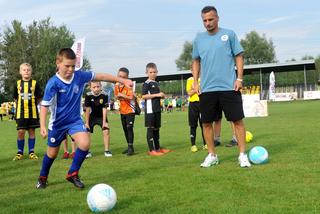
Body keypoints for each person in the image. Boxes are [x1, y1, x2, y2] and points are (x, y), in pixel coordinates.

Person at [36, 48, 132, 189]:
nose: (70, 69)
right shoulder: (53, 83)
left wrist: (121, 80)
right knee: (52, 153)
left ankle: (72, 174)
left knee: (85, 144)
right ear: (58, 63)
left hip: (74, 121)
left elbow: (102, 76)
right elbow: (44, 106)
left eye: (73, 66)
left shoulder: (80, 76)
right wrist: (43, 126)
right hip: (57, 124)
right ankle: (42, 177)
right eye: (67, 66)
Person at [192, 6, 251, 168]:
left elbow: (238, 56)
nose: (207, 23)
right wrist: (196, 82)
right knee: (206, 123)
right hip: (207, 89)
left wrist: (239, 78)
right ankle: (212, 155)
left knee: (237, 121)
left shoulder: (229, 34)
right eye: (204, 20)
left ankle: (242, 155)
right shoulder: (198, 39)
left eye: (210, 19)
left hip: (229, 87)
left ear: (217, 18)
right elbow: (195, 61)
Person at [13, 63, 42, 161]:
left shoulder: (34, 83)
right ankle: (19, 152)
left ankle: (31, 152)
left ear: (31, 72)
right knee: (21, 132)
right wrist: (21, 106)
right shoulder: (17, 83)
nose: (26, 71)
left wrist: (32, 105)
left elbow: (39, 97)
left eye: (28, 70)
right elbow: (15, 98)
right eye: (24, 70)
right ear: (20, 72)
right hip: (20, 113)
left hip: (32, 112)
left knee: (31, 131)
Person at [142, 63, 170, 156]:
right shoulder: (146, 83)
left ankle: (158, 148)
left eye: (154, 72)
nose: (153, 74)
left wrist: (161, 96)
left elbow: (156, 96)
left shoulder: (156, 83)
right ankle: (151, 150)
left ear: (157, 72)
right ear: (147, 73)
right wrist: (157, 95)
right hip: (150, 110)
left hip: (157, 109)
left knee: (157, 128)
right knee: (150, 128)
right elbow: (144, 96)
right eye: (151, 72)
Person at [85, 80, 112, 158]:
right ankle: (87, 151)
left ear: (101, 87)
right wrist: (86, 123)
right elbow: (87, 110)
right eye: (94, 87)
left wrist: (104, 122)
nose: (96, 89)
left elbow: (104, 109)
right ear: (90, 88)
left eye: (98, 87)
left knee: (106, 130)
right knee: (87, 133)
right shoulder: (88, 95)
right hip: (91, 117)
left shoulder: (104, 95)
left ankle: (107, 150)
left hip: (101, 116)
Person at [114, 67, 136, 156]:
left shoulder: (129, 84)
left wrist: (121, 95)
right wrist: (118, 96)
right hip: (122, 110)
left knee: (129, 127)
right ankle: (129, 146)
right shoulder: (116, 85)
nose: (121, 78)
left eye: (123, 77)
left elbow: (131, 97)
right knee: (125, 129)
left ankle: (131, 148)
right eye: (119, 76)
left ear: (127, 77)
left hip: (130, 109)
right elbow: (115, 96)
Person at [186, 76, 206, 152]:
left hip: (202, 103)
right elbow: (189, 93)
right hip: (193, 104)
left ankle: (206, 144)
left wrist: (194, 88)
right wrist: (197, 88)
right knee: (193, 125)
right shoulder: (190, 80)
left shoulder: (204, 78)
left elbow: (205, 90)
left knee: (204, 124)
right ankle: (193, 145)